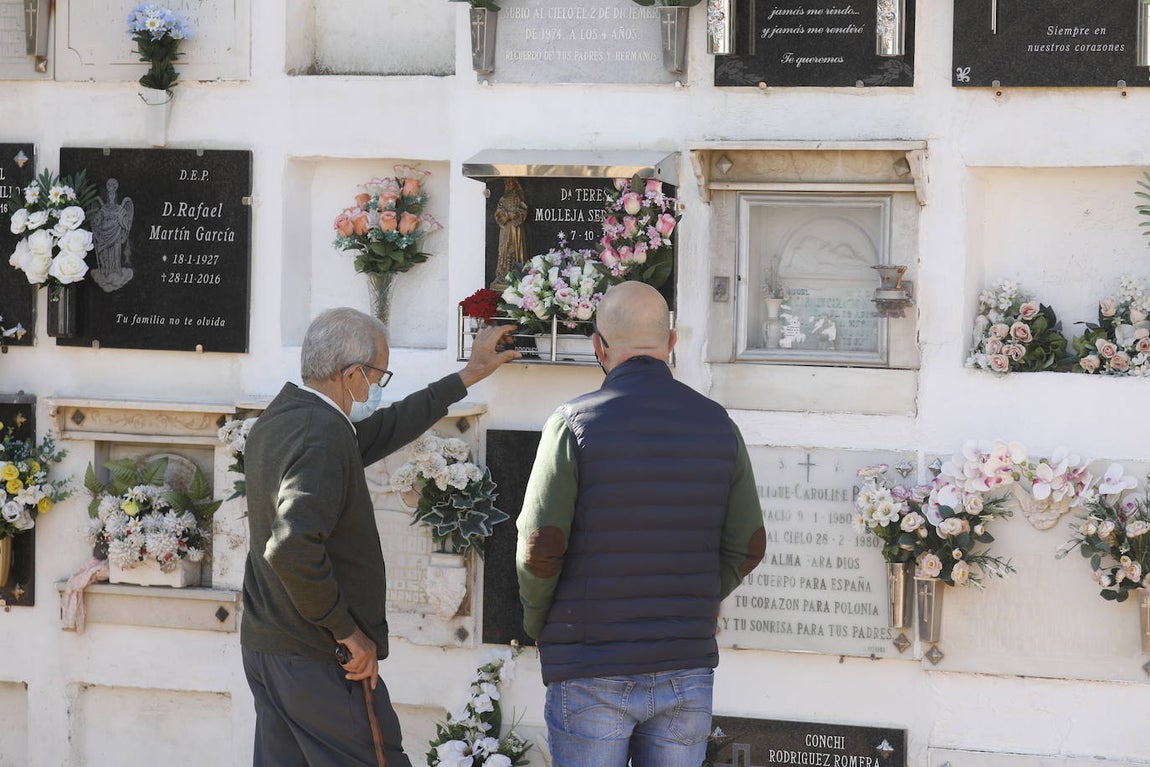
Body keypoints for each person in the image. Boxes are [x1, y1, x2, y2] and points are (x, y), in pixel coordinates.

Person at [241, 307, 519, 767]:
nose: (376, 387)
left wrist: (467, 376)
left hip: (270, 648)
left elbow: (382, 430)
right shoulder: (322, 435)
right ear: (351, 373)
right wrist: (348, 632)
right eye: (377, 376)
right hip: (320, 657)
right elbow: (291, 546)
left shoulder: (288, 414)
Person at [515, 281, 766, 767]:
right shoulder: (718, 425)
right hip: (685, 663)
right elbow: (749, 545)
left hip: (590, 662)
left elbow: (540, 546)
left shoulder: (572, 424)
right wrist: (689, 599)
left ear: (598, 347)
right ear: (672, 343)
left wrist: (539, 621)